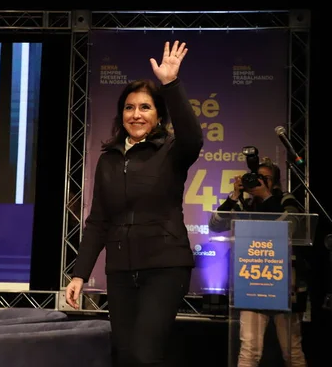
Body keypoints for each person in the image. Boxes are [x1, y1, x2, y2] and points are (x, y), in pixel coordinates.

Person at [65, 40, 203, 367]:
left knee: (145, 354)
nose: (136, 114)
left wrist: (170, 83)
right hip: (122, 270)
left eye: (145, 107)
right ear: (121, 114)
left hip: (165, 267)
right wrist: (79, 274)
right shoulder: (109, 160)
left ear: (158, 115)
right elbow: (98, 221)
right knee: (125, 355)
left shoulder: (172, 150)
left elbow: (193, 137)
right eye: (129, 107)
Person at [209, 158, 309, 367]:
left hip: (284, 285)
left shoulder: (284, 199)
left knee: (292, 352)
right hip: (251, 283)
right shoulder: (245, 205)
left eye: (266, 178)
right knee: (249, 350)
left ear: (275, 183)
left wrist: (266, 197)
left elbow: (292, 225)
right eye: (257, 177)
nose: (260, 182)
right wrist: (234, 196)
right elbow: (215, 225)